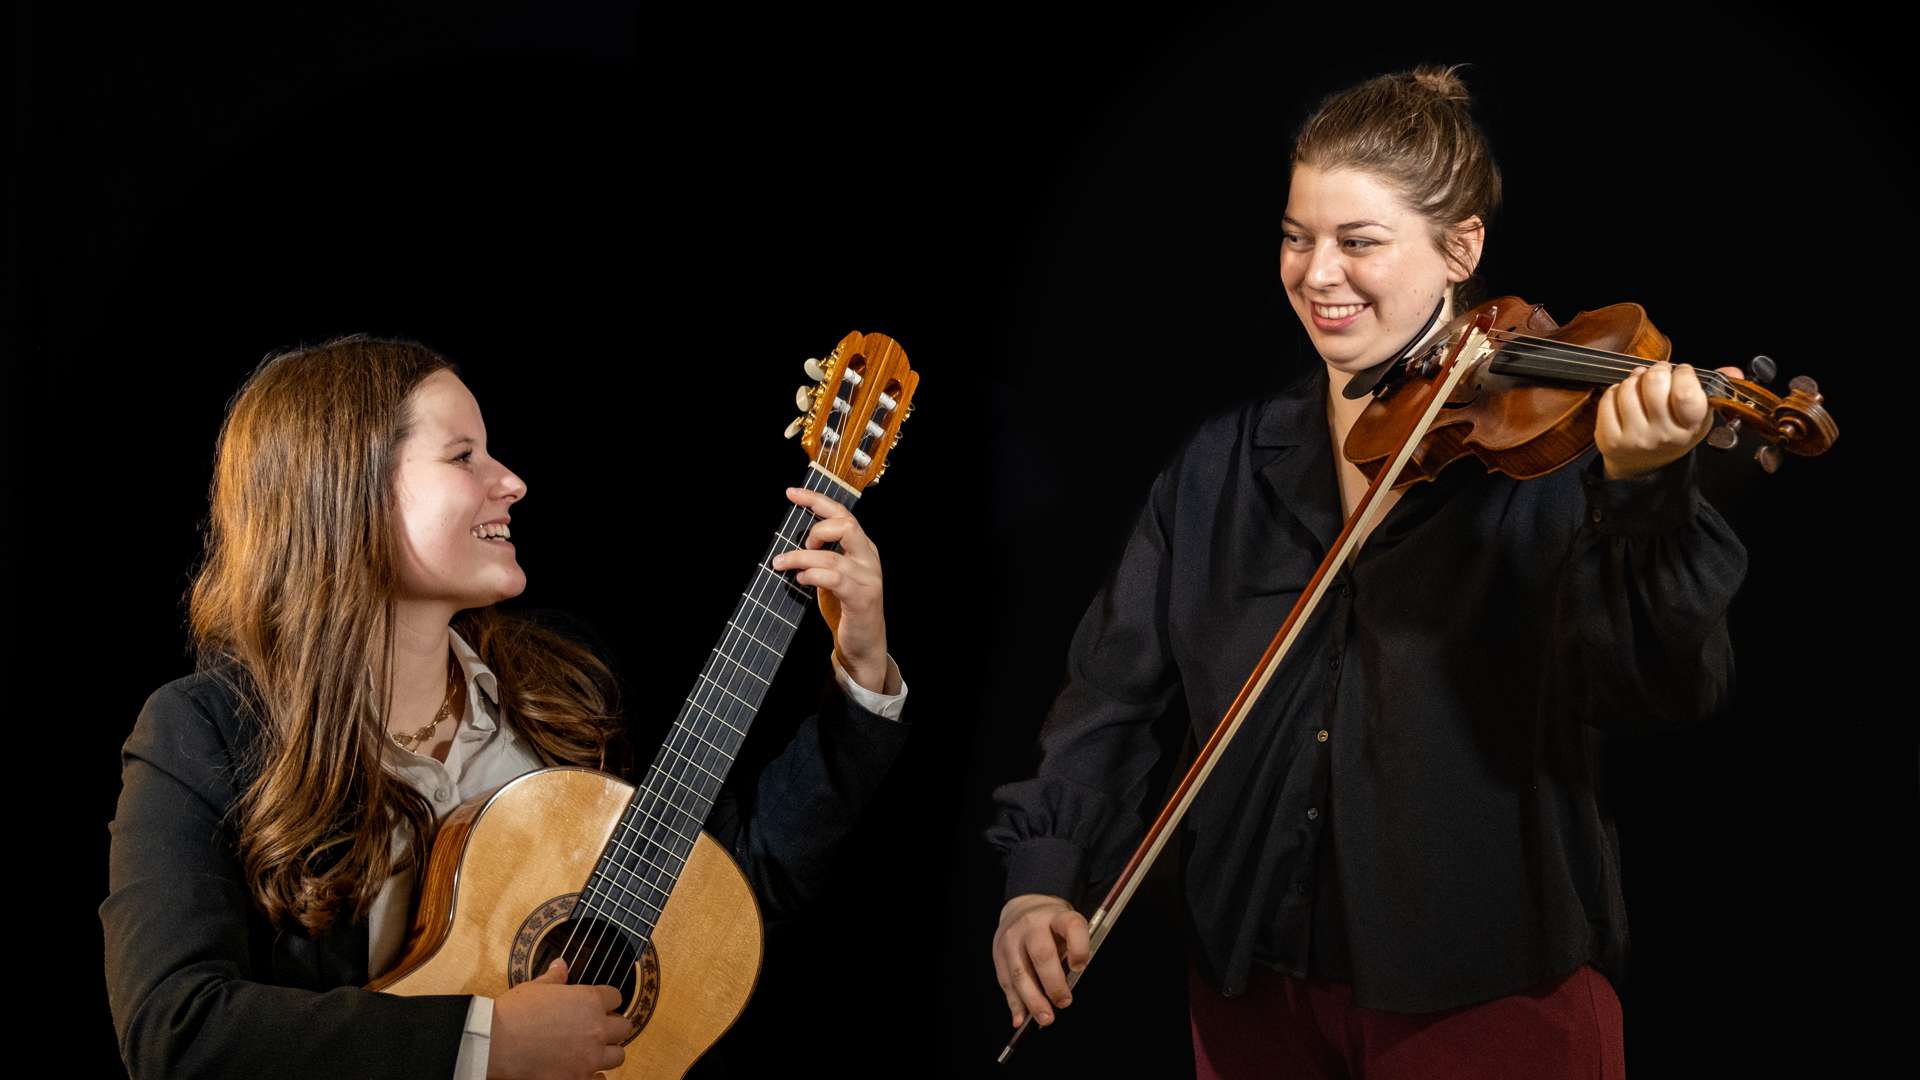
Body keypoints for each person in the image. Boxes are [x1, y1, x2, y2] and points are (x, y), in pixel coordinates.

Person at [986, 65, 1747, 1078]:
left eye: (1358, 242)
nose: (1317, 274)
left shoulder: (1554, 463)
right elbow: (1111, 695)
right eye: (1297, 237)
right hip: (1250, 995)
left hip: (1487, 996)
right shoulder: (1222, 468)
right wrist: (1045, 875)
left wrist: (1645, 492)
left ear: (1460, 249)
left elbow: (1666, 689)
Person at [103, 336, 910, 1079]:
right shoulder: (205, 731)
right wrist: (486, 1041)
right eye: (464, 457)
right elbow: (177, 1030)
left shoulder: (563, 692)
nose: (512, 482)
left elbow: (722, 898)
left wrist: (862, 670)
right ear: (344, 492)